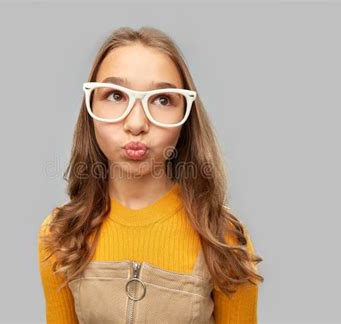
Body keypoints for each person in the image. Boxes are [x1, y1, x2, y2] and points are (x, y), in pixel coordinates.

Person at [38, 26, 264, 324]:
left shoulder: (223, 239)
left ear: (186, 117)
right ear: (90, 108)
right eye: (116, 95)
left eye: (161, 100)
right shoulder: (61, 235)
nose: (136, 122)